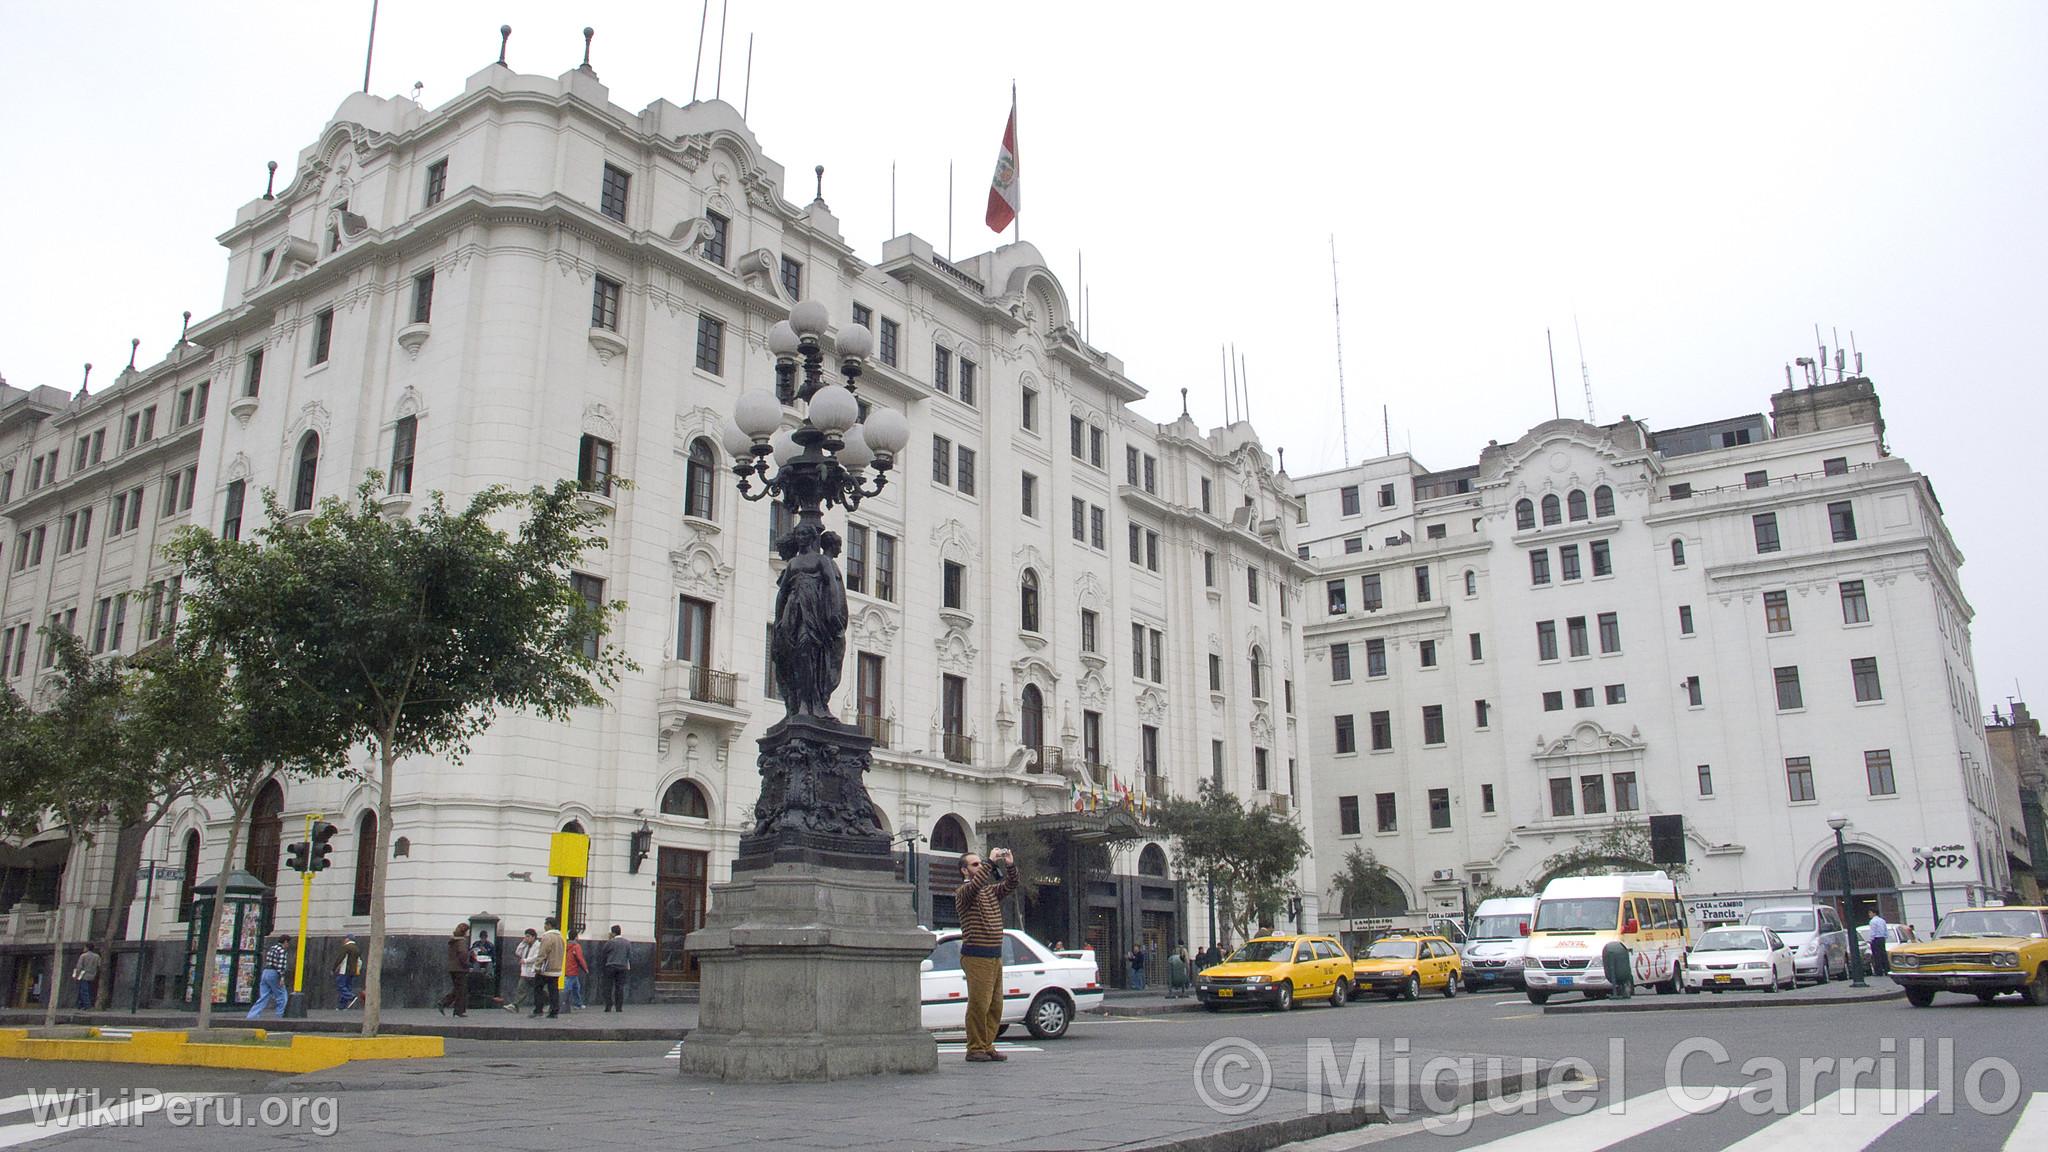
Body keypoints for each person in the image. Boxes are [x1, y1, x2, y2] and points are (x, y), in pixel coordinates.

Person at [955, 846, 1018, 1063]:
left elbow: (1011, 885)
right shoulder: (963, 893)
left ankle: (987, 1044)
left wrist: (1009, 864)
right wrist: (990, 862)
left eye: (980, 864)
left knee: (995, 1005)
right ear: (964, 871)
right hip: (976, 955)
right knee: (979, 1004)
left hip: (994, 954)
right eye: (975, 864)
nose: (980, 867)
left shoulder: (989, 891)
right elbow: (974, 888)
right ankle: (975, 1048)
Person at [246, 933, 292, 1019]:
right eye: (288, 943)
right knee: (282, 996)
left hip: (266, 972)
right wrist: (282, 977)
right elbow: (280, 965)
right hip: (274, 973)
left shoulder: (272, 948)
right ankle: (279, 1016)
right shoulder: (282, 951)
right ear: (285, 942)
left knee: (264, 996)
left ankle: (252, 1016)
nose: (288, 945)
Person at [534, 917, 565, 1019]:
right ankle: (554, 1011)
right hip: (557, 968)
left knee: (538, 988)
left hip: (546, 968)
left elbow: (543, 952)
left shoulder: (547, 937)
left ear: (549, 925)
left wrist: (538, 965)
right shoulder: (560, 937)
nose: (544, 926)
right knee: (554, 991)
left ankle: (538, 1009)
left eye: (545, 924)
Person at [503, 928, 540, 1012]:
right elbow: (518, 952)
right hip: (525, 972)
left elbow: (536, 956)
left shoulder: (538, 945)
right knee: (521, 989)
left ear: (534, 937)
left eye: (528, 936)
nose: (527, 938)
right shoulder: (526, 945)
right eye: (525, 936)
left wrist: (526, 960)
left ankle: (547, 1003)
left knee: (539, 990)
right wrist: (523, 942)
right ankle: (515, 1005)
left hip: (533, 971)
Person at [438, 923, 471, 1016]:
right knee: (461, 990)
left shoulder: (453, 941)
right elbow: (463, 954)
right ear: (465, 932)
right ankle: (455, 1009)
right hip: (460, 968)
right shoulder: (462, 942)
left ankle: (448, 1005)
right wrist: (467, 965)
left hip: (452, 968)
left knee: (458, 989)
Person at [601, 925, 631, 1012]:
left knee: (608, 987)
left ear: (613, 933)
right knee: (620, 987)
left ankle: (608, 1006)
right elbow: (629, 955)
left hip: (611, 966)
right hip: (622, 967)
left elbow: (604, 952)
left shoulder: (611, 942)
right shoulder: (627, 943)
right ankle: (619, 1007)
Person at [336, 936, 363, 1009]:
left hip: (344, 970)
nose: (344, 940)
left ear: (347, 939)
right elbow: (359, 961)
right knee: (347, 987)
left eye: (345, 938)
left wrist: (334, 968)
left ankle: (351, 996)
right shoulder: (357, 949)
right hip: (352, 971)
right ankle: (342, 1006)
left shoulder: (346, 947)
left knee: (340, 986)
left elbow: (340, 958)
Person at [565, 929, 589, 1011]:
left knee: (576, 987)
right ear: (576, 937)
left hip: (566, 969)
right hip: (573, 970)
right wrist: (585, 968)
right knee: (569, 988)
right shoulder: (576, 946)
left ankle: (578, 1003)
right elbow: (580, 958)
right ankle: (565, 1002)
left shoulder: (565, 945)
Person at [72, 945, 102, 1011]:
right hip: (93, 975)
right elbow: (99, 966)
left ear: (87, 948)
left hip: (83, 975)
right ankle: (81, 1005)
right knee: (89, 990)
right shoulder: (97, 956)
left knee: (83, 990)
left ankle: (87, 1005)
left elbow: (79, 966)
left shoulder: (83, 956)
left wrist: (75, 975)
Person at [1867, 911, 1891, 976]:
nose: (1869, 914)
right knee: (1883, 955)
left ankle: (1879, 971)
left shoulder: (1872, 921)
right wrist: (1885, 937)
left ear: (1874, 913)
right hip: (1882, 938)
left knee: (1876, 956)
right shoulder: (1882, 920)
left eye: (1870, 913)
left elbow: (1873, 932)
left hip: (1876, 939)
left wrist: (1870, 940)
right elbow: (1885, 930)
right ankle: (1887, 970)